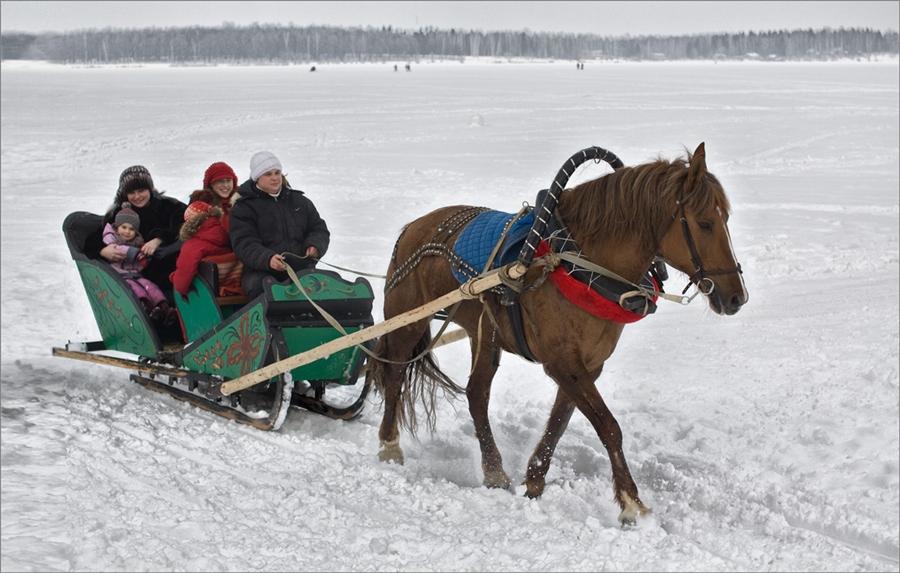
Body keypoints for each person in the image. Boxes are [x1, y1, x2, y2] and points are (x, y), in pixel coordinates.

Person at [229, 151, 330, 298]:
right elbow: (244, 243)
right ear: (257, 178)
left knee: (330, 286)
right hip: (262, 272)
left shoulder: (300, 201)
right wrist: (268, 259)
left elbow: (318, 229)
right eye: (268, 174)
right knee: (264, 288)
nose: (275, 178)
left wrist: (314, 246)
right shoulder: (244, 208)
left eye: (277, 173)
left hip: (302, 269)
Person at [94, 165, 187, 292]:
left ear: (150, 189)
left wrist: (159, 239)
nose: (137, 196)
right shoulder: (120, 212)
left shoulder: (169, 206)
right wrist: (102, 250)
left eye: (141, 190)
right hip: (133, 272)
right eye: (132, 192)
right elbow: (95, 237)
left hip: (170, 266)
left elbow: (187, 224)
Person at [101, 203, 175, 325]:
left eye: (131, 229)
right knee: (135, 289)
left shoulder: (137, 242)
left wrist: (145, 259)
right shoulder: (111, 239)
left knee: (150, 287)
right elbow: (119, 251)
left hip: (136, 275)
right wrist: (135, 253)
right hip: (122, 276)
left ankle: (163, 308)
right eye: (124, 227)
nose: (127, 232)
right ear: (117, 227)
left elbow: (139, 264)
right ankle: (144, 308)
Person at [169, 201, 242, 298]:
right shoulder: (226, 234)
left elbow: (182, 282)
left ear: (189, 223)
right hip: (235, 288)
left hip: (208, 297)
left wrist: (174, 278)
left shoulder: (192, 245)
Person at [187, 161, 239, 232]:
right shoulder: (200, 204)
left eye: (228, 180)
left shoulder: (242, 200)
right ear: (210, 184)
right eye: (220, 181)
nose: (226, 185)